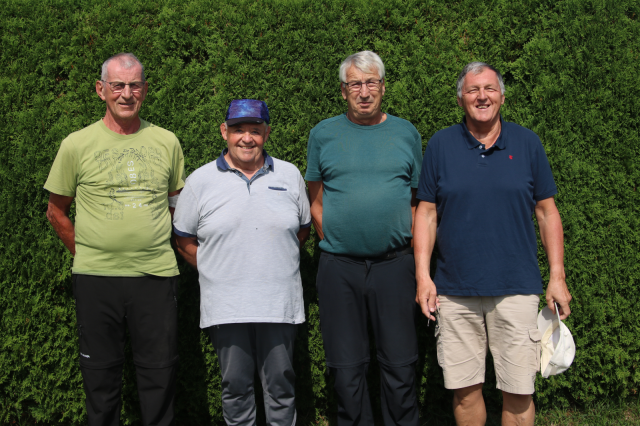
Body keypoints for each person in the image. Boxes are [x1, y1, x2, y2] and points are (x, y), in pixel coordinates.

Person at [414, 62, 572, 426]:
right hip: (455, 290)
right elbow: (426, 214)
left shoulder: (527, 143)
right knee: (464, 392)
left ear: (502, 96)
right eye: (472, 90)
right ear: (460, 99)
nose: (481, 96)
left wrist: (557, 276)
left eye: (489, 89)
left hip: (516, 288)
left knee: (519, 391)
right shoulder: (440, 145)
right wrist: (423, 276)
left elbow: (547, 213)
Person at [44, 53, 185, 426]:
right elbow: (56, 211)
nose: (126, 93)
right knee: (100, 379)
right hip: (96, 278)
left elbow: (177, 207)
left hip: (155, 276)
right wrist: (87, 254)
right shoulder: (76, 144)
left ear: (145, 90)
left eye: (134, 85)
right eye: (118, 85)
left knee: (159, 375)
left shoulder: (167, 141)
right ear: (100, 89)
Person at [173, 99, 311, 426]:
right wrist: (216, 270)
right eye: (238, 130)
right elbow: (183, 239)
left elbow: (302, 230)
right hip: (227, 307)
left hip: (278, 305)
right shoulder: (200, 181)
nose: (246, 138)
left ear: (267, 133)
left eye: (255, 130)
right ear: (224, 132)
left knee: (281, 387)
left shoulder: (289, 175)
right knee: (235, 389)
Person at [305, 51, 423, 426]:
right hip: (340, 268)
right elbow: (315, 200)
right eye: (355, 83)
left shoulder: (406, 133)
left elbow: (418, 202)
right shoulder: (323, 134)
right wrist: (340, 241)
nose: (364, 91)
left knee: (400, 366)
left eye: (371, 82)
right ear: (343, 91)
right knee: (346, 370)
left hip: (395, 266)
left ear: (383, 87)